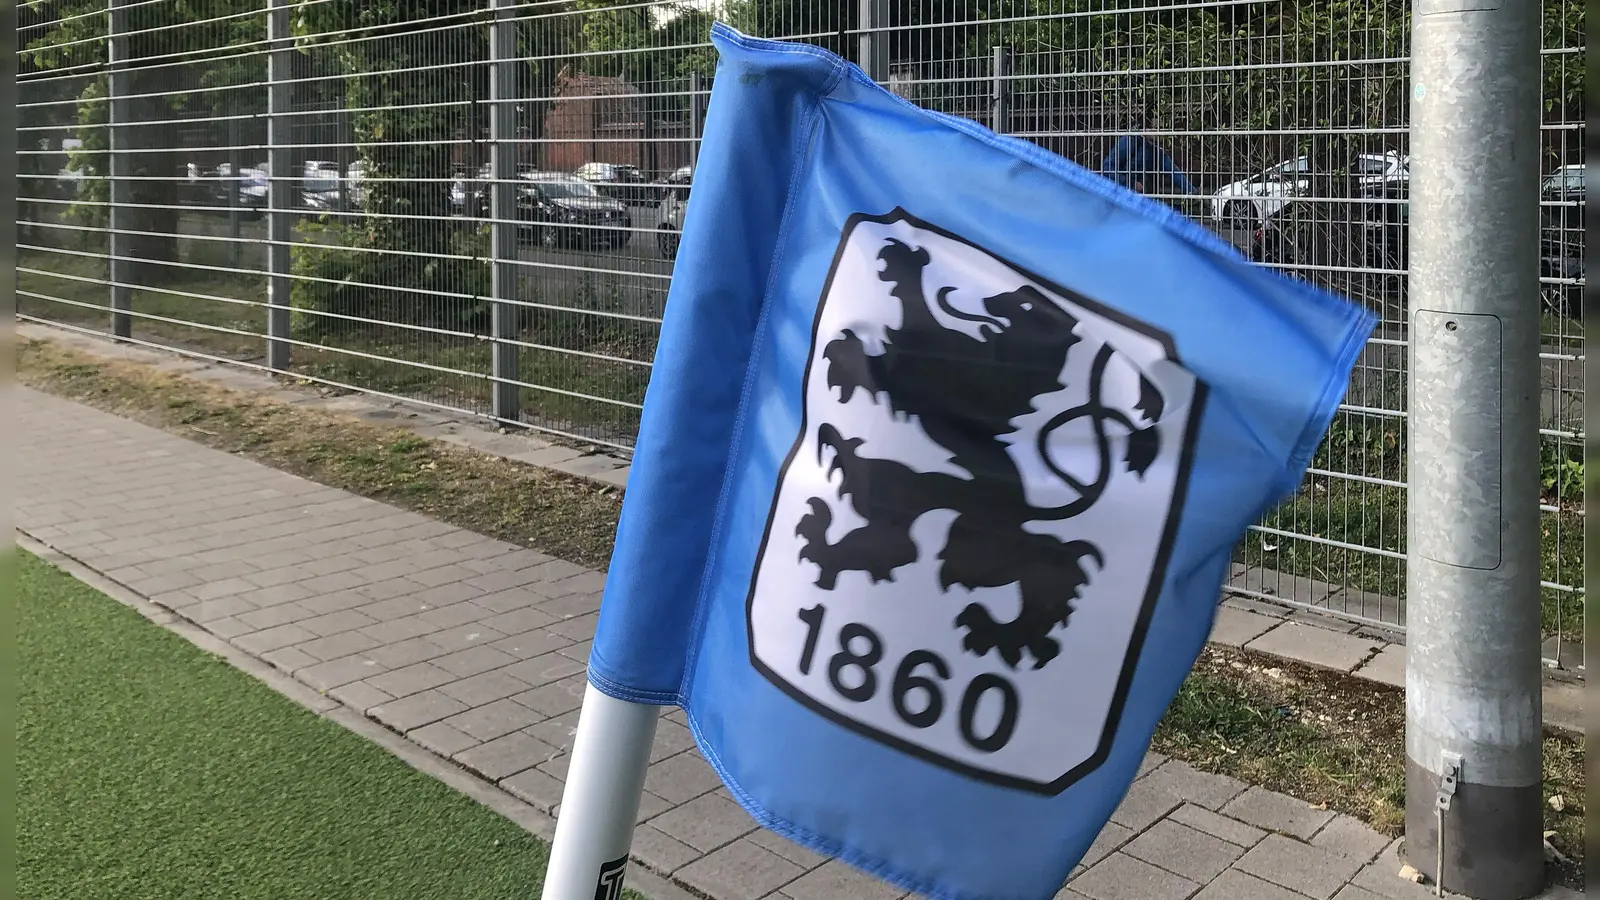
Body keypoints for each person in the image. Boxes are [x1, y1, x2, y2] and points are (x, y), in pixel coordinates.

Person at [1099, 133, 1198, 198]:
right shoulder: (1131, 139)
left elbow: (1173, 172)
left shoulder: (1154, 149)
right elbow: (1107, 168)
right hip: (1114, 192)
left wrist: (1195, 193)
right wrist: (1131, 183)